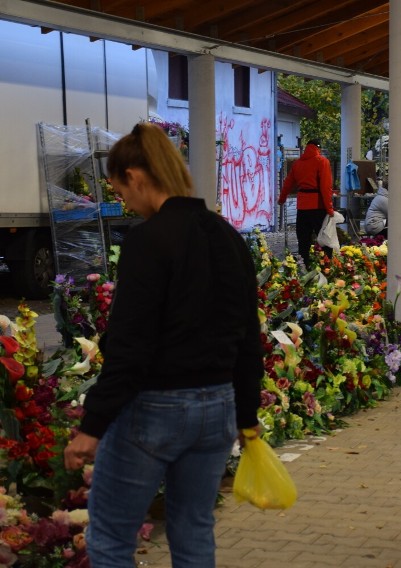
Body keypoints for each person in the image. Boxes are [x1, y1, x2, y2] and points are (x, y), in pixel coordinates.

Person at [63, 123, 263, 565]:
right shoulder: (228, 236)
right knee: (193, 532)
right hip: (218, 410)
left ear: (135, 175)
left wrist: (91, 426)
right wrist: (246, 415)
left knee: (112, 538)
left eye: (119, 189)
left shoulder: (147, 240)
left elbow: (131, 347)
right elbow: (249, 336)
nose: (123, 200)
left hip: (156, 410)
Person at [278, 139, 335, 267]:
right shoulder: (322, 161)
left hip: (302, 206)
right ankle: (327, 268)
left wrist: (281, 199)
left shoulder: (297, 164)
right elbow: (326, 187)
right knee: (325, 239)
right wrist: (330, 209)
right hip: (318, 206)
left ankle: (304, 268)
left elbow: (287, 184)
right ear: (318, 148)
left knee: (303, 241)